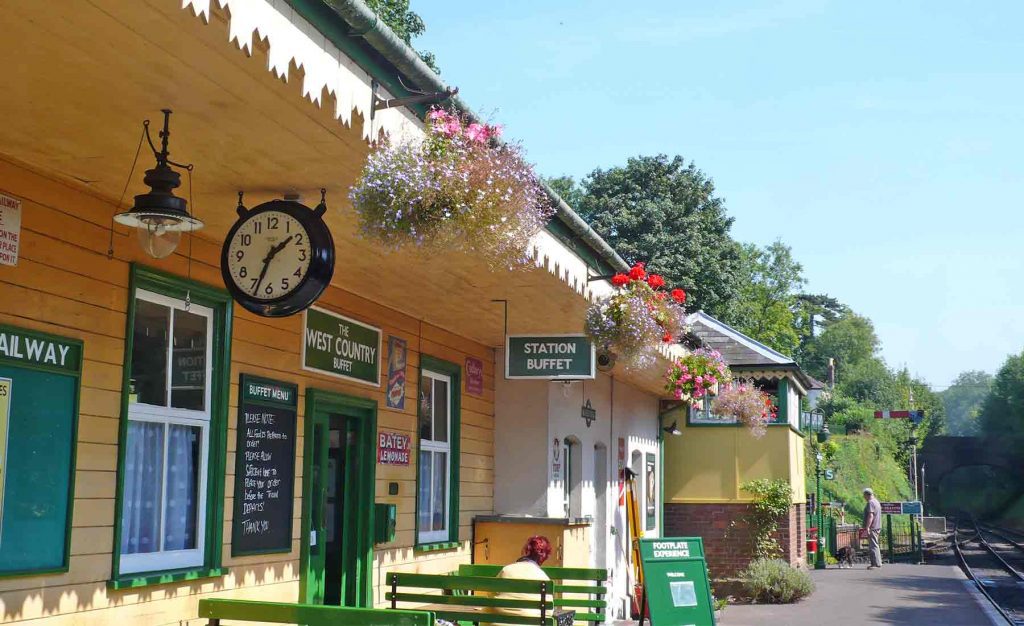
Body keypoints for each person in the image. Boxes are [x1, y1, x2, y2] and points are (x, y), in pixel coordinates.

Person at [486, 536, 552, 621]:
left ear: (526, 551)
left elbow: (491, 597)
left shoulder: (506, 570)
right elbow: (548, 613)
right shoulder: (543, 578)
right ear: (543, 557)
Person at [862, 487, 883, 569]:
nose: (864, 497)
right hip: (877, 526)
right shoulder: (876, 501)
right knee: (874, 544)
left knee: (873, 545)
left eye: (864, 496)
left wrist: (867, 527)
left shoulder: (870, 503)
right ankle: (877, 563)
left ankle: (876, 564)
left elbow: (871, 516)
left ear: (867, 495)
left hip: (873, 527)